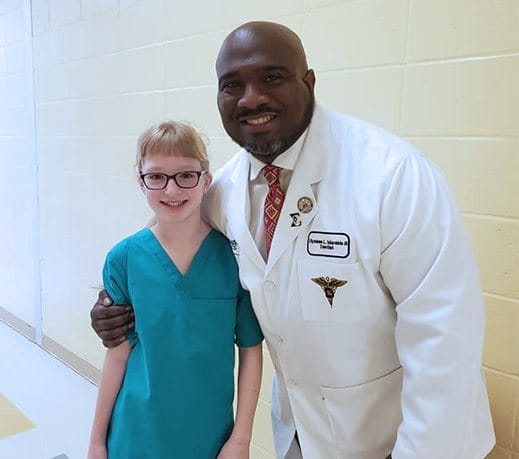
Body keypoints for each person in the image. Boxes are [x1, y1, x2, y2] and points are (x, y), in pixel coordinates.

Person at [90, 21, 495, 459]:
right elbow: (166, 243)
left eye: (272, 77)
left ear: (309, 83)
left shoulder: (393, 177)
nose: (251, 98)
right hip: (302, 431)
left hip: (402, 437)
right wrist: (111, 308)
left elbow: (444, 343)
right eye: (232, 85)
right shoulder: (222, 193)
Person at [87, 120, 263, 459]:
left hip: (209, 439)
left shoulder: (233, 258)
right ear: (141, 182)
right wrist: (96, 441)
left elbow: (251, 350)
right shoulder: (123, 258)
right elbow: (117, 354)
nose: (171, 190)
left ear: (206, 180)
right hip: (135, 435)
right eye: (156, 177)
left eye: (185, 175)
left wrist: (241, 439)